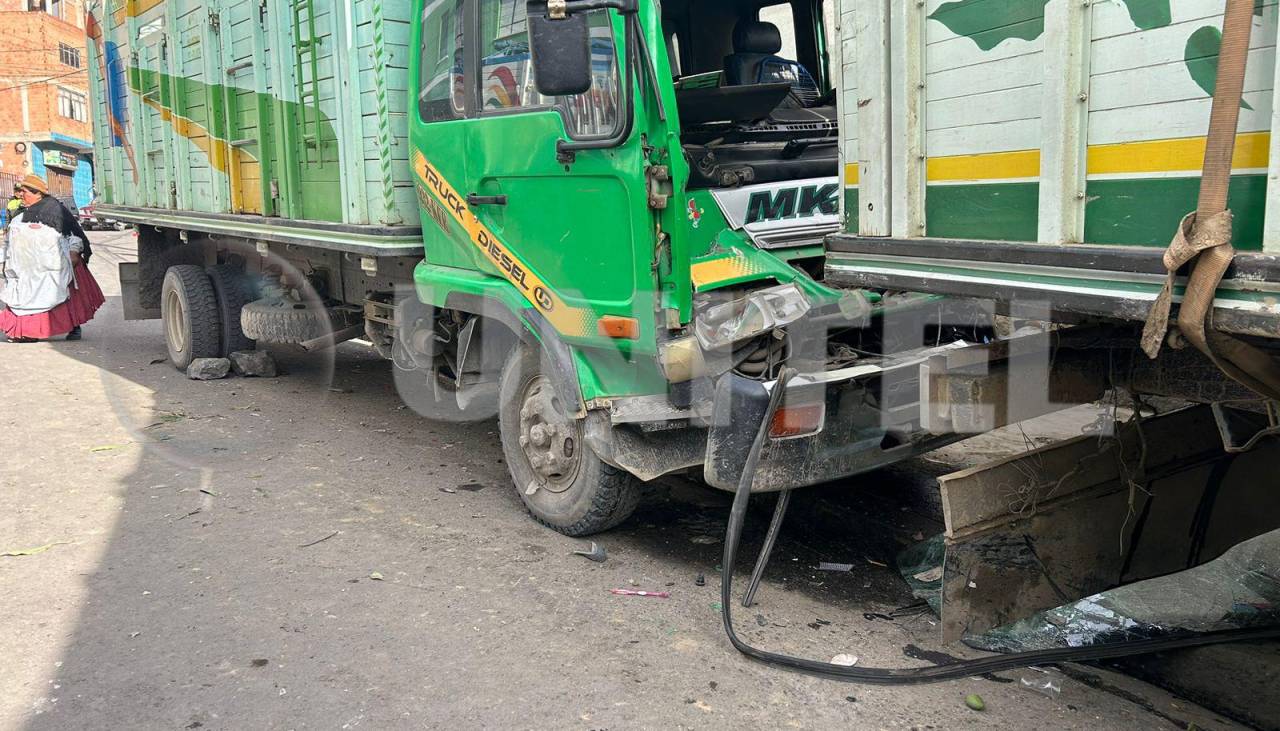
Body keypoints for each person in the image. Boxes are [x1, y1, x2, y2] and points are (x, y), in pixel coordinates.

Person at [0, 174, 103, 342]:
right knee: (30, 295)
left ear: (36, 193)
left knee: (65, 294)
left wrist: (74, 252)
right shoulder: (23, 214)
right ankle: (29, 331)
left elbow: (72, 234)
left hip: (59, 262)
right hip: (31, 267)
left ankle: (74, 326)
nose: (21, 196)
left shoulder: (54, 210)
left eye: (24, 192)